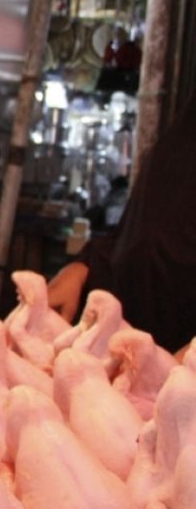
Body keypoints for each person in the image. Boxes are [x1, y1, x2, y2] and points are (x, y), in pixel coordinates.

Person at [47, 95, 196, 357]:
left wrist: (178, 369)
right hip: (128, 363)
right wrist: (83, 268)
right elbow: (140, 236)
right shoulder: (183, 138)